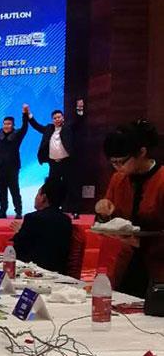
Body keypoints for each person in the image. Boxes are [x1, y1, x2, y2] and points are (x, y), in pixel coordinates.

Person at [94, 119, 164, 296]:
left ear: (142, 152)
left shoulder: (161, 180)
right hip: (126, 266)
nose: (117, 168)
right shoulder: (118, 179)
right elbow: (110, 221)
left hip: (158, 268)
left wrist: (141, 242)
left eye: (121, 162)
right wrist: (103, 214)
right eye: (113, 163)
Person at [10, 179, 73, 274]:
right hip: (59, 271)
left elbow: (18, 251)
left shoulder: (33, 218)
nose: (35, 197)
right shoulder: (66, 220)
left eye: (38, 194)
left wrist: (19, 232)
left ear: (44, 197)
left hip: (34, 272)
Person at [28, 106, 83, 213]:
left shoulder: (67, 128)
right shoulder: (48, 129)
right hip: (53, 163)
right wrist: (28, 114)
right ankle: (53, 208)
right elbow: (36, 126)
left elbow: (78, 121)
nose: (57, 119)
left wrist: (80, 108)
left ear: (63, 118)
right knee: (52, 186)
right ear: (52, 120)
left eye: (59, 117)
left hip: (67, 162)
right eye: (55, 118)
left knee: (71, 185)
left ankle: (75, 209)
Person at [0, 104, 29, 218]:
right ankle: (2, 212)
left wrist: (25, 113)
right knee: (1, 191)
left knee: (14, 190)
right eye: (4, 124)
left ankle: (18, 211)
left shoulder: (18, 134)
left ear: (13, 125)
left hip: (12, 168)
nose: (6, 126)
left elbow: (25, 126)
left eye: (9, 124)